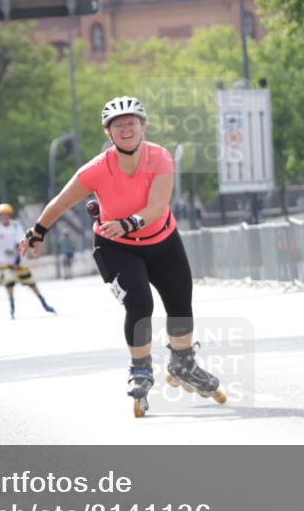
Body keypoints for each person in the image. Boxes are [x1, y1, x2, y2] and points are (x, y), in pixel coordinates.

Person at [18, 96, 223, 418]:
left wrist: (128, 222)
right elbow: (61, 202)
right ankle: (140, 367)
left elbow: (158, 205)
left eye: (131, 122)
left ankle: (183, 362)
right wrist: (37, 231)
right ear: (108, 132)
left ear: (144, 126)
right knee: (140, 303)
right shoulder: (97, 169)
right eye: (118, 124)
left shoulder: (159, 157)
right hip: (116, 247)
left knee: (180, 303)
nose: (126, 128)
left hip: (162, 241)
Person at [0, 203, 56, 320]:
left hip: (18, 259)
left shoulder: (15, 226)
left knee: (31, 283)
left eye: (6, 215)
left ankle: (44, 303)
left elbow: (18, 243)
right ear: (0, 216)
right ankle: (12, 307)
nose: (4, 217)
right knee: (9, 283)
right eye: (2, 215)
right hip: (4, 260)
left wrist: (17, 260)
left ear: (9, 215)